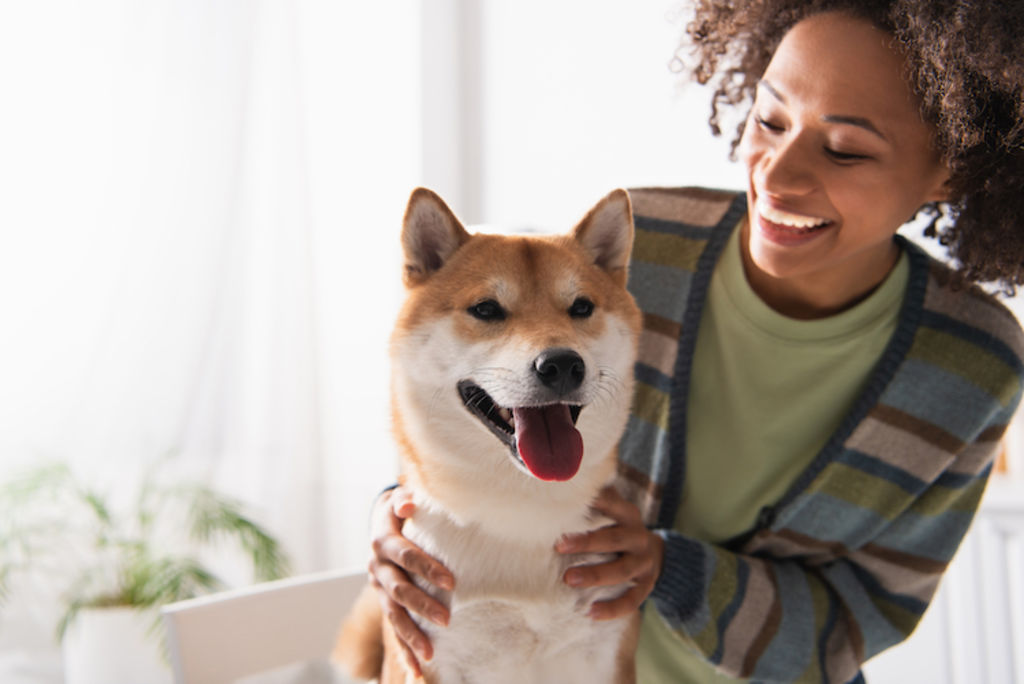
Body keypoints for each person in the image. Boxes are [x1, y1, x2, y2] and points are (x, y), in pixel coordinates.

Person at [365, 1, 1024, 681]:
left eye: (845, 149)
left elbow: (863, 617)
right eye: (769, 120)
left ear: (953, 167)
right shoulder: (641, 247)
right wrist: (401, 517)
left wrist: (672, 571)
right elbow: (476, 392)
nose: (776, 174)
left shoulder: (971, 365)